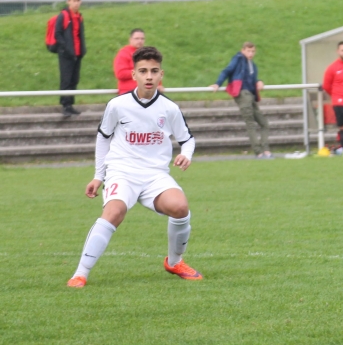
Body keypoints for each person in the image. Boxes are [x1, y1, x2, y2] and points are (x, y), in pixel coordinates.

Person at [66, 46, 201, 287]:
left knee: (180, 207)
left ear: (161, 74)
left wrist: (186, 154)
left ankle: (175, 262)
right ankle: (80, 273)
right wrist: (98, 176)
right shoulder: (118, 105)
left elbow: (187, 139)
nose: (149, 76)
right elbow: (103, 138)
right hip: (122, 172)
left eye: (154, 71)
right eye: (143, 71)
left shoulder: (169, 108)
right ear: (134, 74)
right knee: (114, 212)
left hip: (155, 176)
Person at [210, 42, 272, 159]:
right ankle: (259, 152)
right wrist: (218, 83)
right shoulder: (238, 59)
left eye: (253, 51)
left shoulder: (252, 65)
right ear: (243, 50)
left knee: (264, 123)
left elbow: (251, 79)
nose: (251, 54)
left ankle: (266, 150)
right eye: (248, 51)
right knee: (250, 123)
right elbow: (227, 71)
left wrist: (259, 81)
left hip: (251, 95)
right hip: (243, 94)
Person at [55, 0, 86, 116]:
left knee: (74, 80)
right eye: (74, 1)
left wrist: (82, 50)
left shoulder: (79, 16)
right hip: (66, 54)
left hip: (77, 54)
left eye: (78, 1)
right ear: (68, 1)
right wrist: (66, 47)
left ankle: (70, 104)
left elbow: (80, 35)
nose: (76, 3)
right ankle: (65, 105)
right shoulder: (63, 16)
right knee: (66, 80)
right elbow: (57, 34)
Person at [113, 29, 145, 95]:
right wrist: (140, 72)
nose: (140, 41)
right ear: (130, 40)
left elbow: (154, 71)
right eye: (137, 38)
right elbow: (120, 74)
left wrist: (159, 84)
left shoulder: (147, 53)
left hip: (147, 92)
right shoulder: (124, 53)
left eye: (142, 39)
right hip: (129, 93)